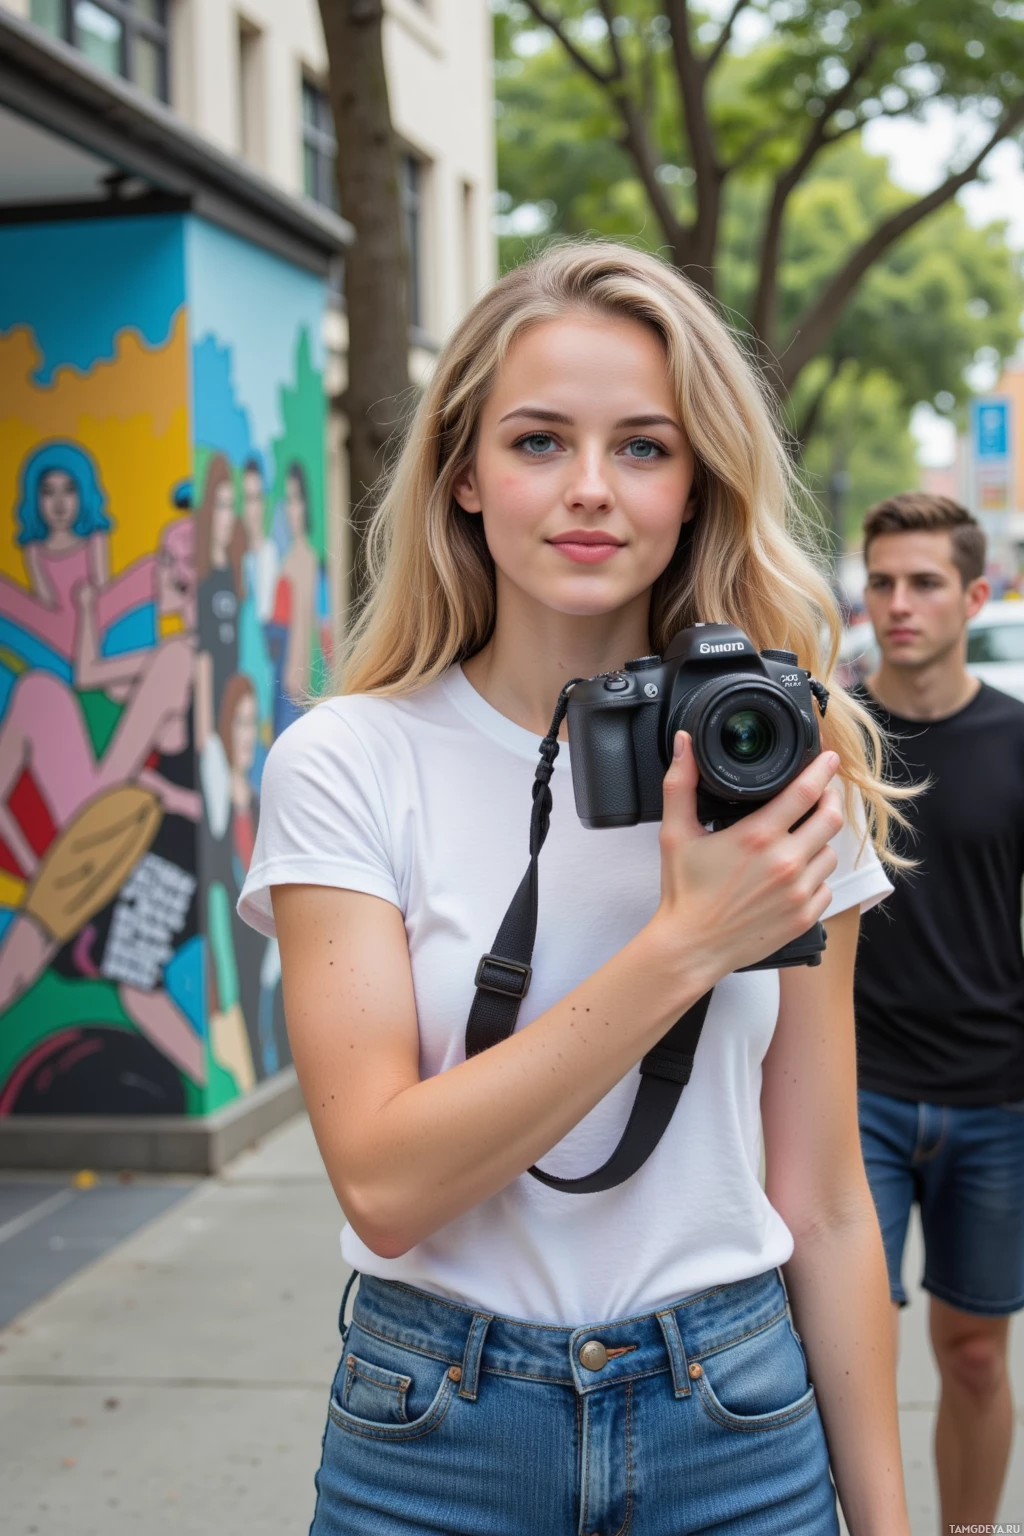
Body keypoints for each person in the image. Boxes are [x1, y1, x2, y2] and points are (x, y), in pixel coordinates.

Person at [237, 243, 910, 1535]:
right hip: (434, 1427)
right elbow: (384, 1181)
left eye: (646, 448)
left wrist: (884, 1523)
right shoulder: (350, 763)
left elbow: (824, 1200)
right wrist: (688, 943)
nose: (592, 491)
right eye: (540, 441)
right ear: (465, 477)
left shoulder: (775, 759)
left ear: (698, 485)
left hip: (738, 1420)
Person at [854, 492, 1024, 1534]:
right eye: (880, 582)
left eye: (922, 584)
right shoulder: (821, 730)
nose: (897, 604)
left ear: (971, 594)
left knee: (972, 1355)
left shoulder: (1015, 740)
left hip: (992, 1099)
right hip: (851, 1093)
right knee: (845, 1350)